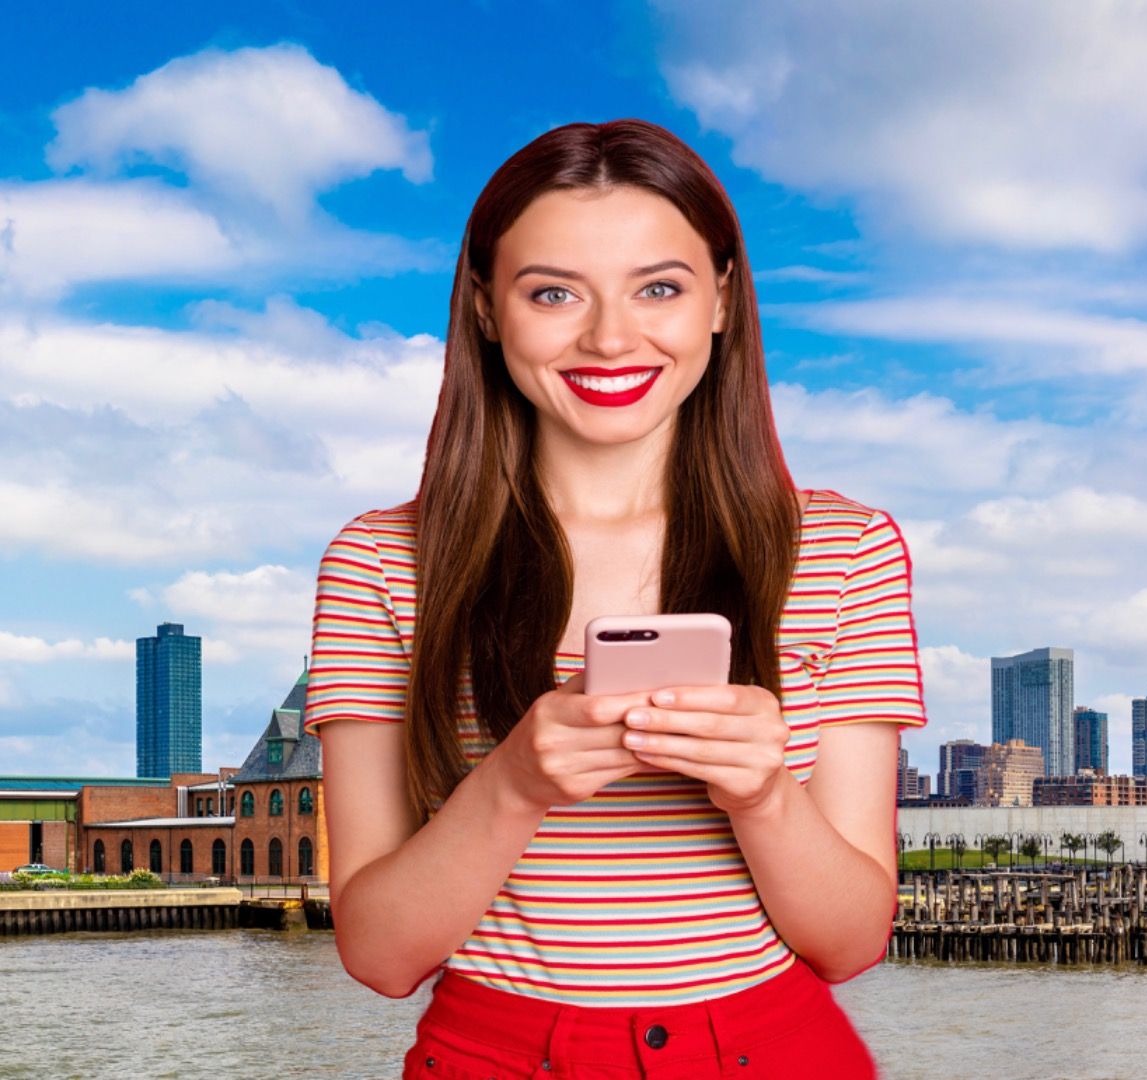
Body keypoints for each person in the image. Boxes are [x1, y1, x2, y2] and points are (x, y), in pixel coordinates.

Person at [302, 119, 927, 1079]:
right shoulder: (383, 562)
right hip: (495, 1056)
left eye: (659, 288)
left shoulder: (845, 550)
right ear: (483, 308)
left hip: (778, 1049)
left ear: (720, 298)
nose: (609, 337)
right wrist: (512, 786)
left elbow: (850, 943)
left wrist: (762, 795)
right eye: (553, 292)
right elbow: (380, 957)